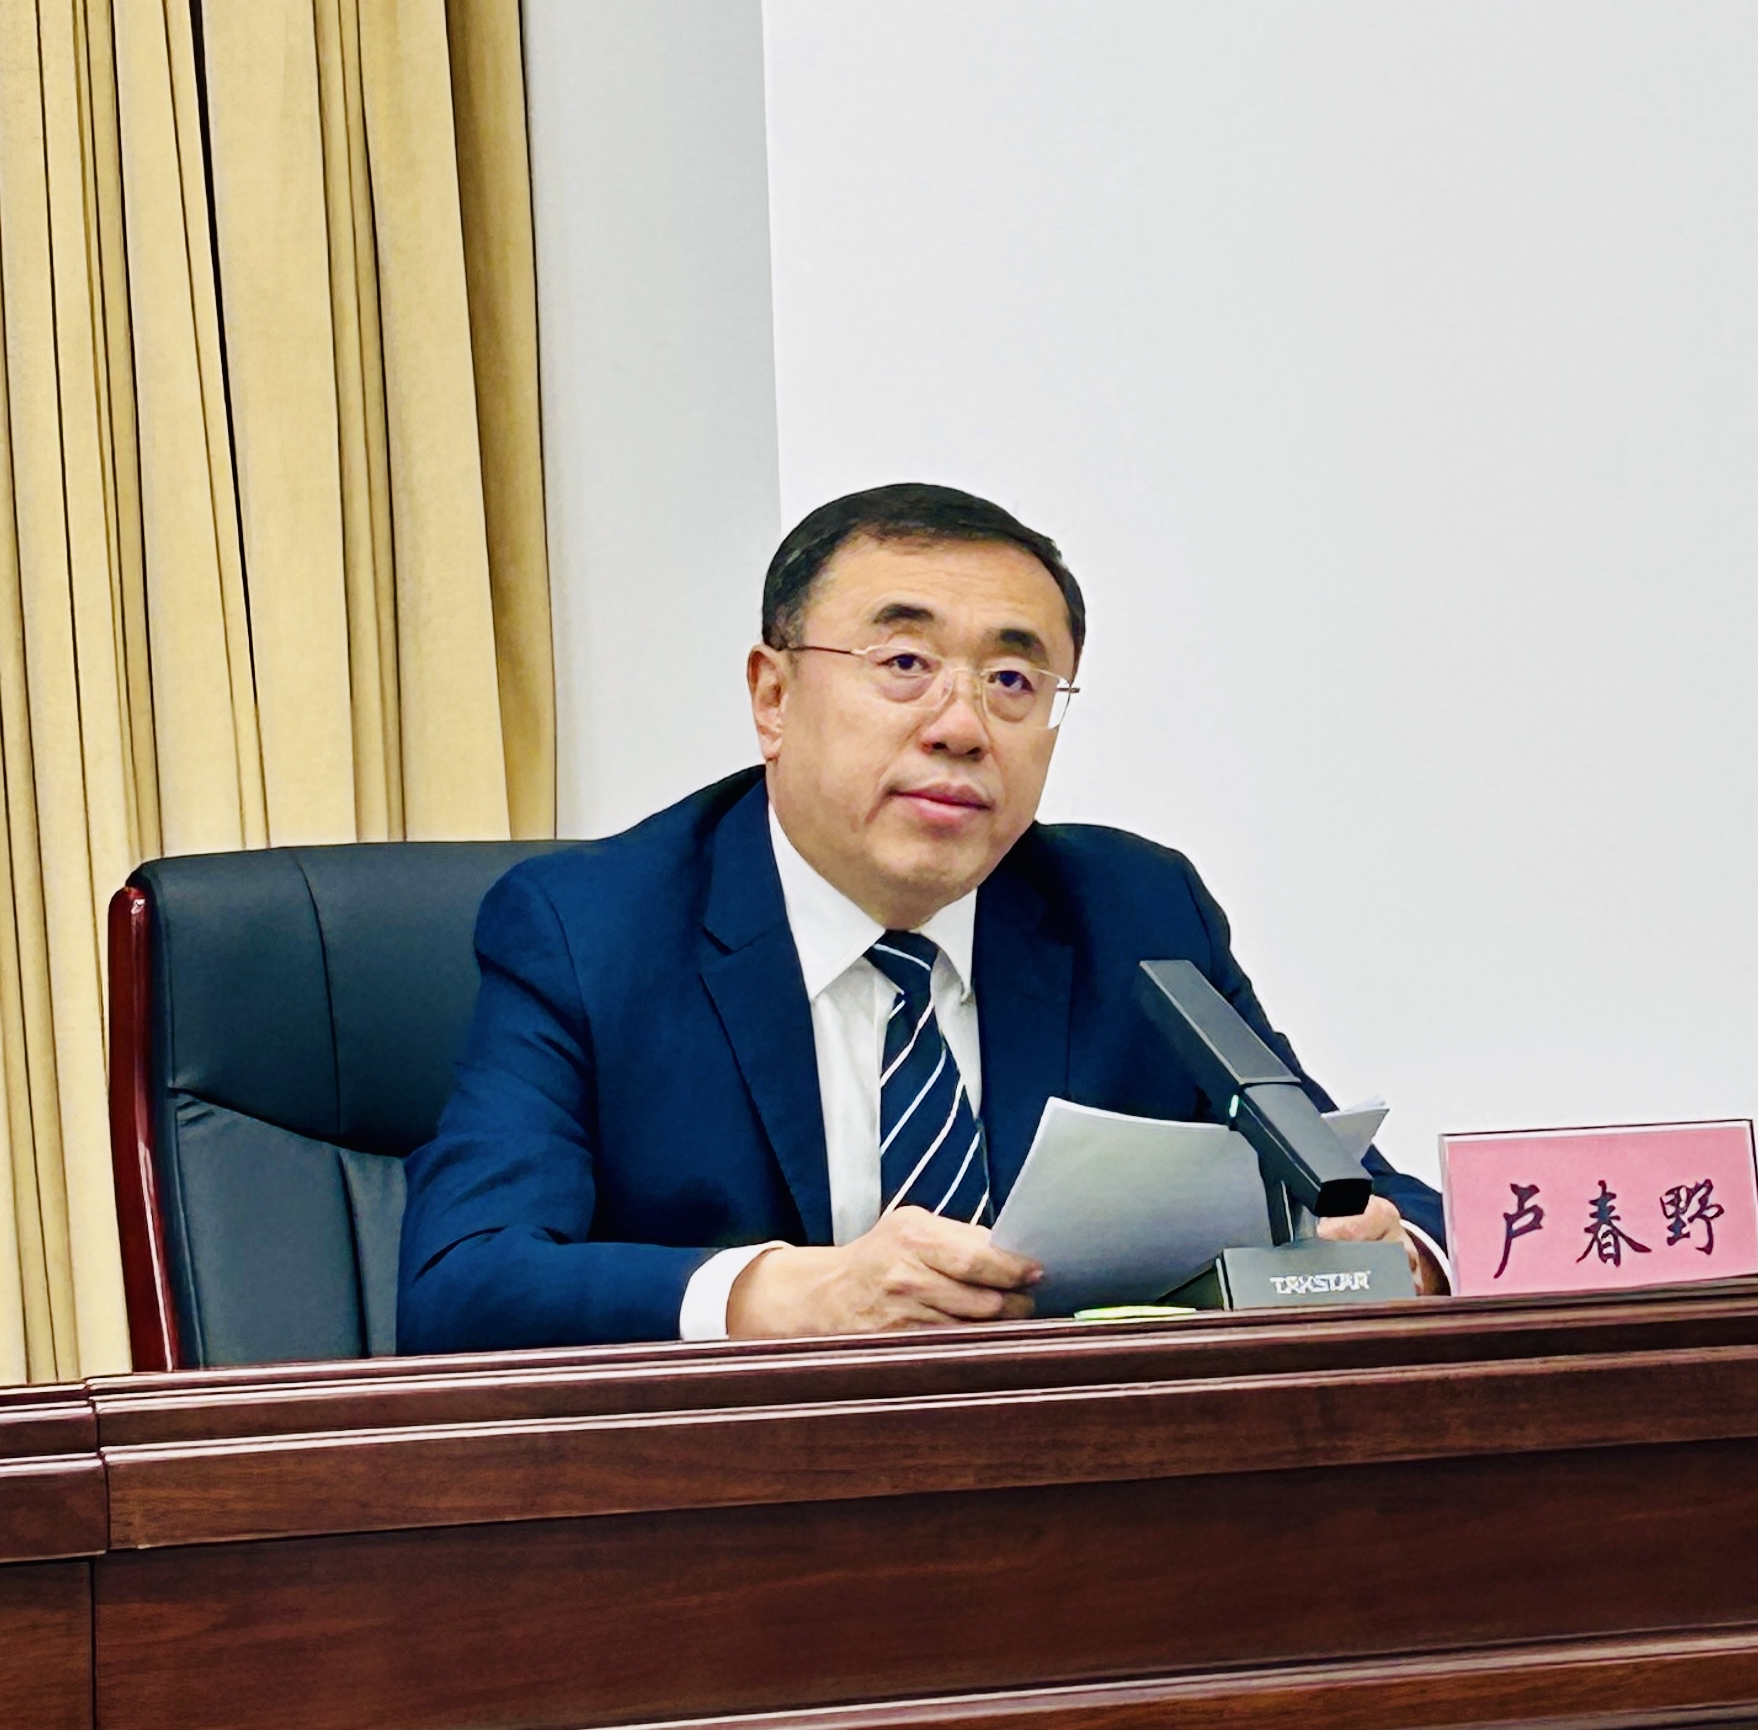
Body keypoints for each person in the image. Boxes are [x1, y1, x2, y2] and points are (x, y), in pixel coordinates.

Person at [398, 484, 1447, 1352]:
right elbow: (461, 1284)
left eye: (1012, 680)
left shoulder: (1136, 912)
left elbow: (1368, 1196)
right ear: (772, 697)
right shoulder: (589, 930)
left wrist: (1395, 1258)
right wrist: (784, 1295)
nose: (961, 726)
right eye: (904, 665)